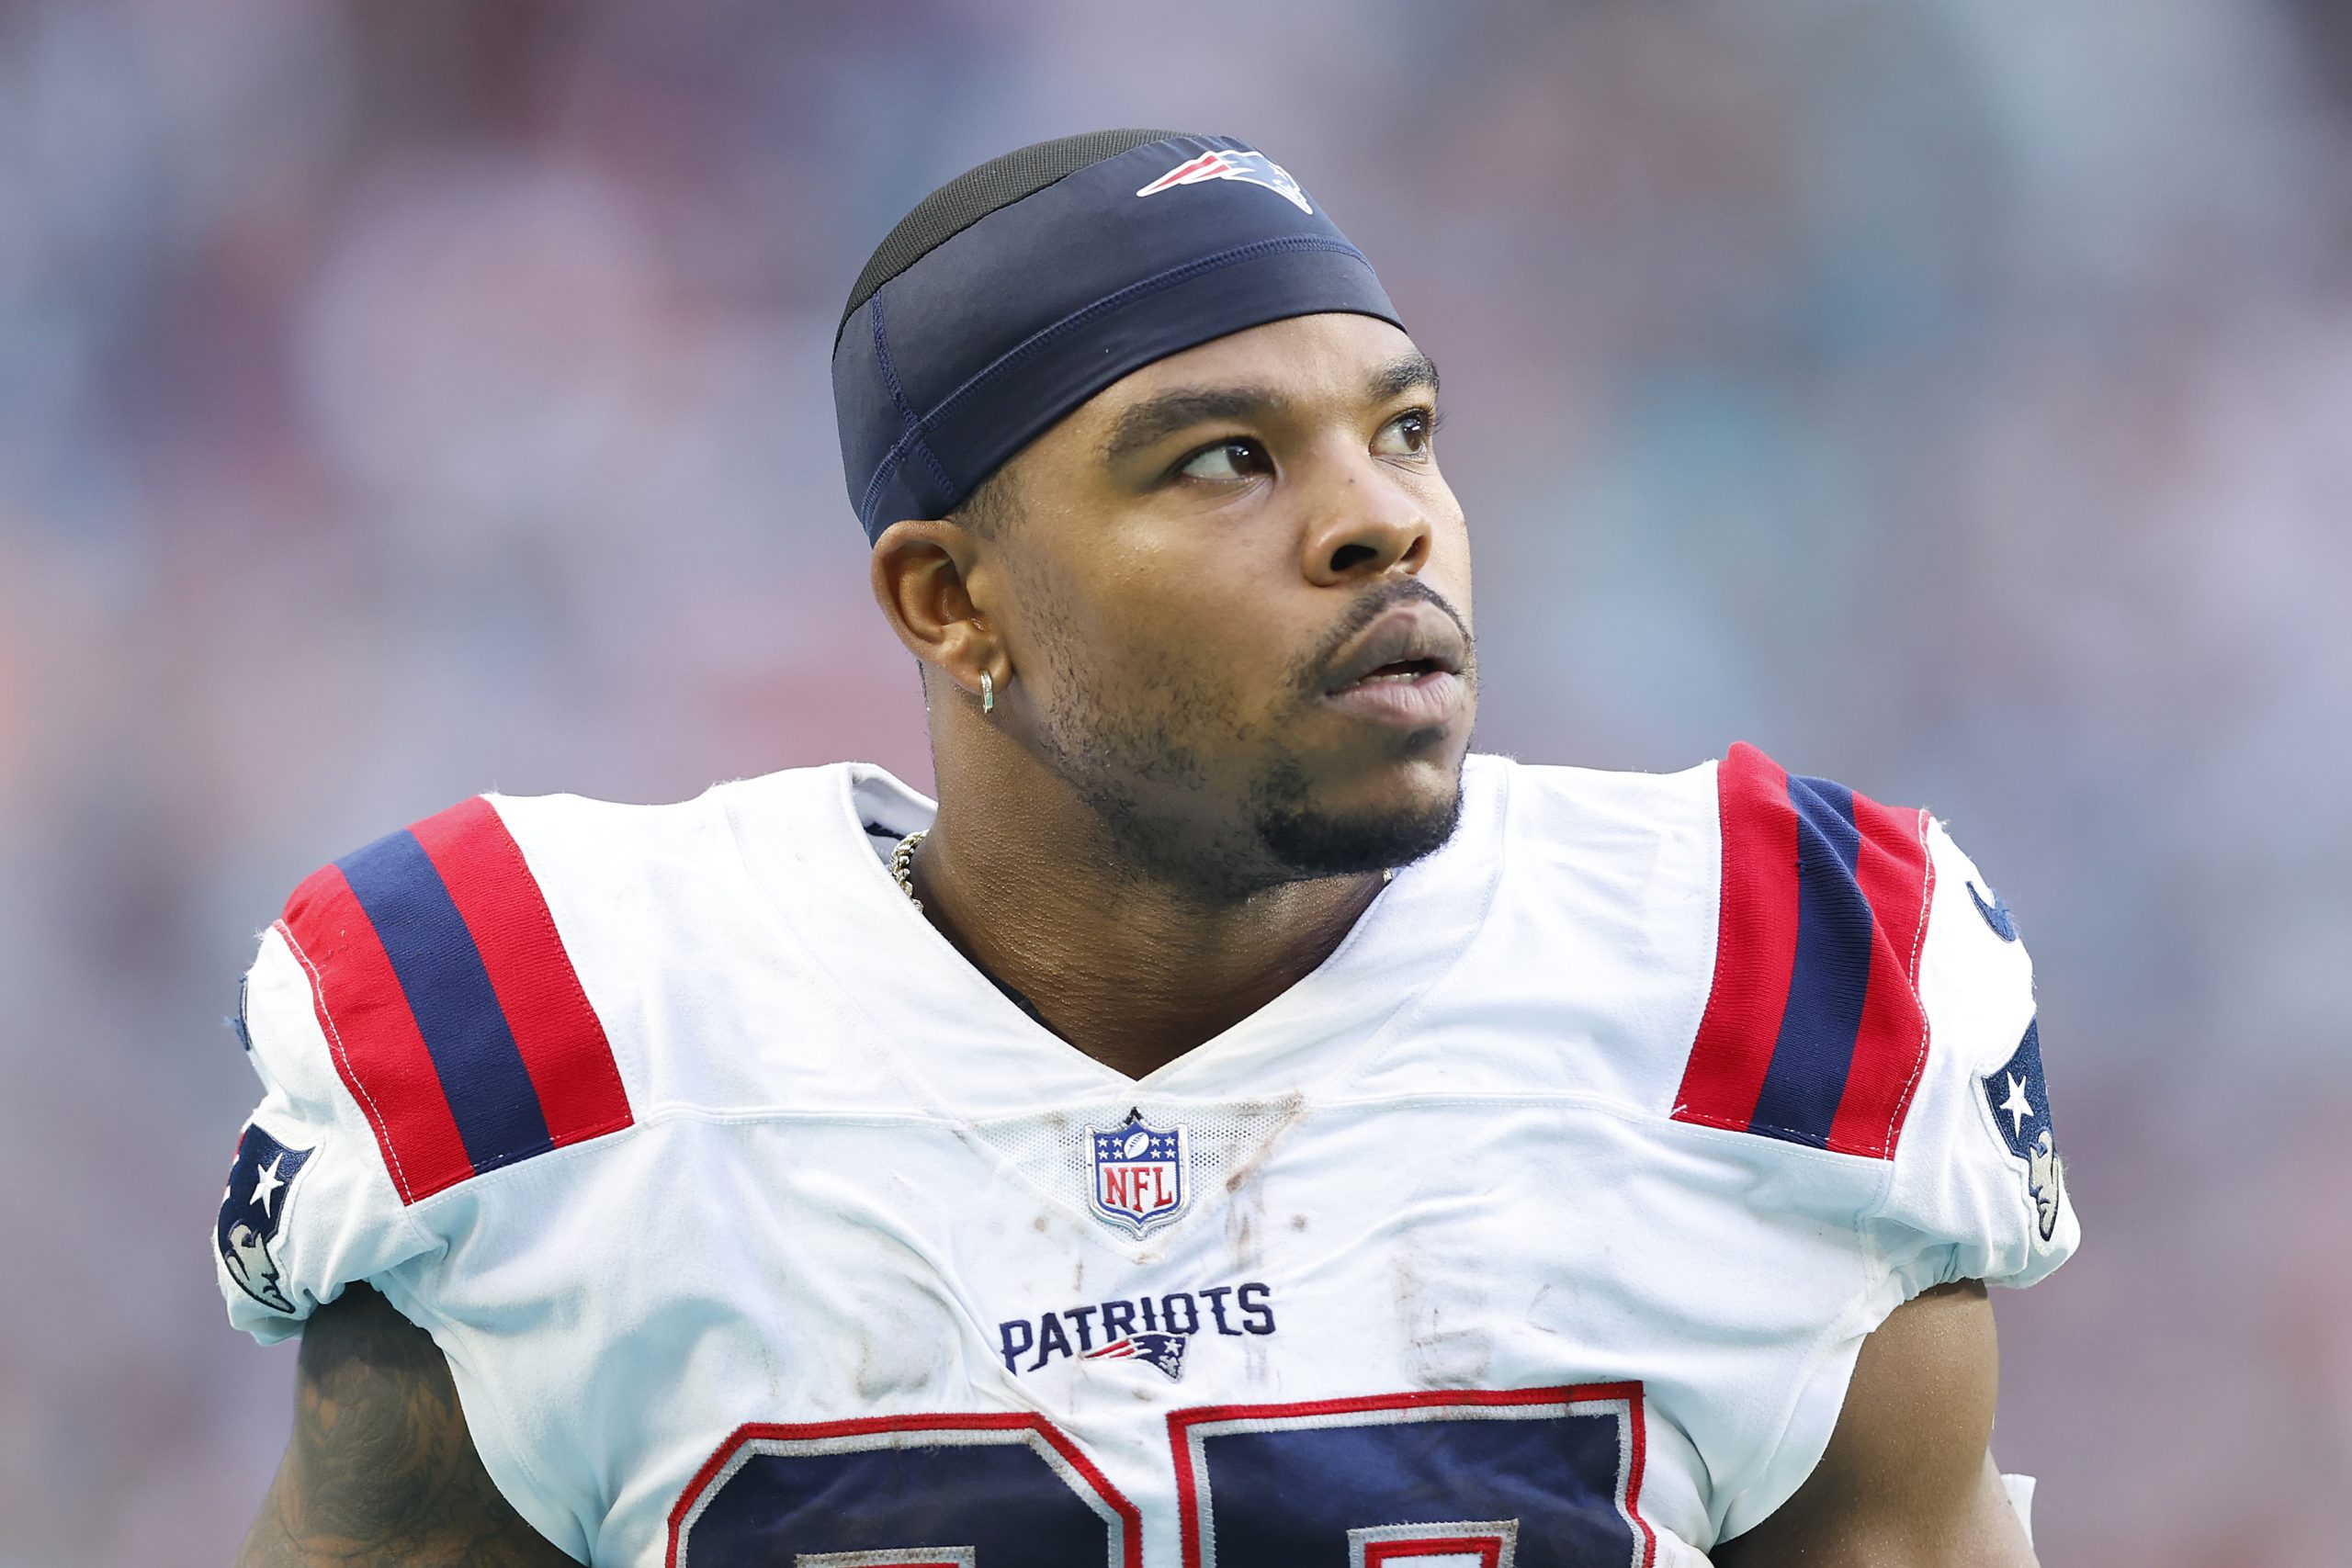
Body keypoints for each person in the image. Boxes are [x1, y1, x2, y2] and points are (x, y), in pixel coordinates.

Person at [217, 130, 2077, 1567]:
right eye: (1221, 459)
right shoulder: (544, 1036)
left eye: (1402, 430)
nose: (1381, 525)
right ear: (948, 600)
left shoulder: (1774, 981)